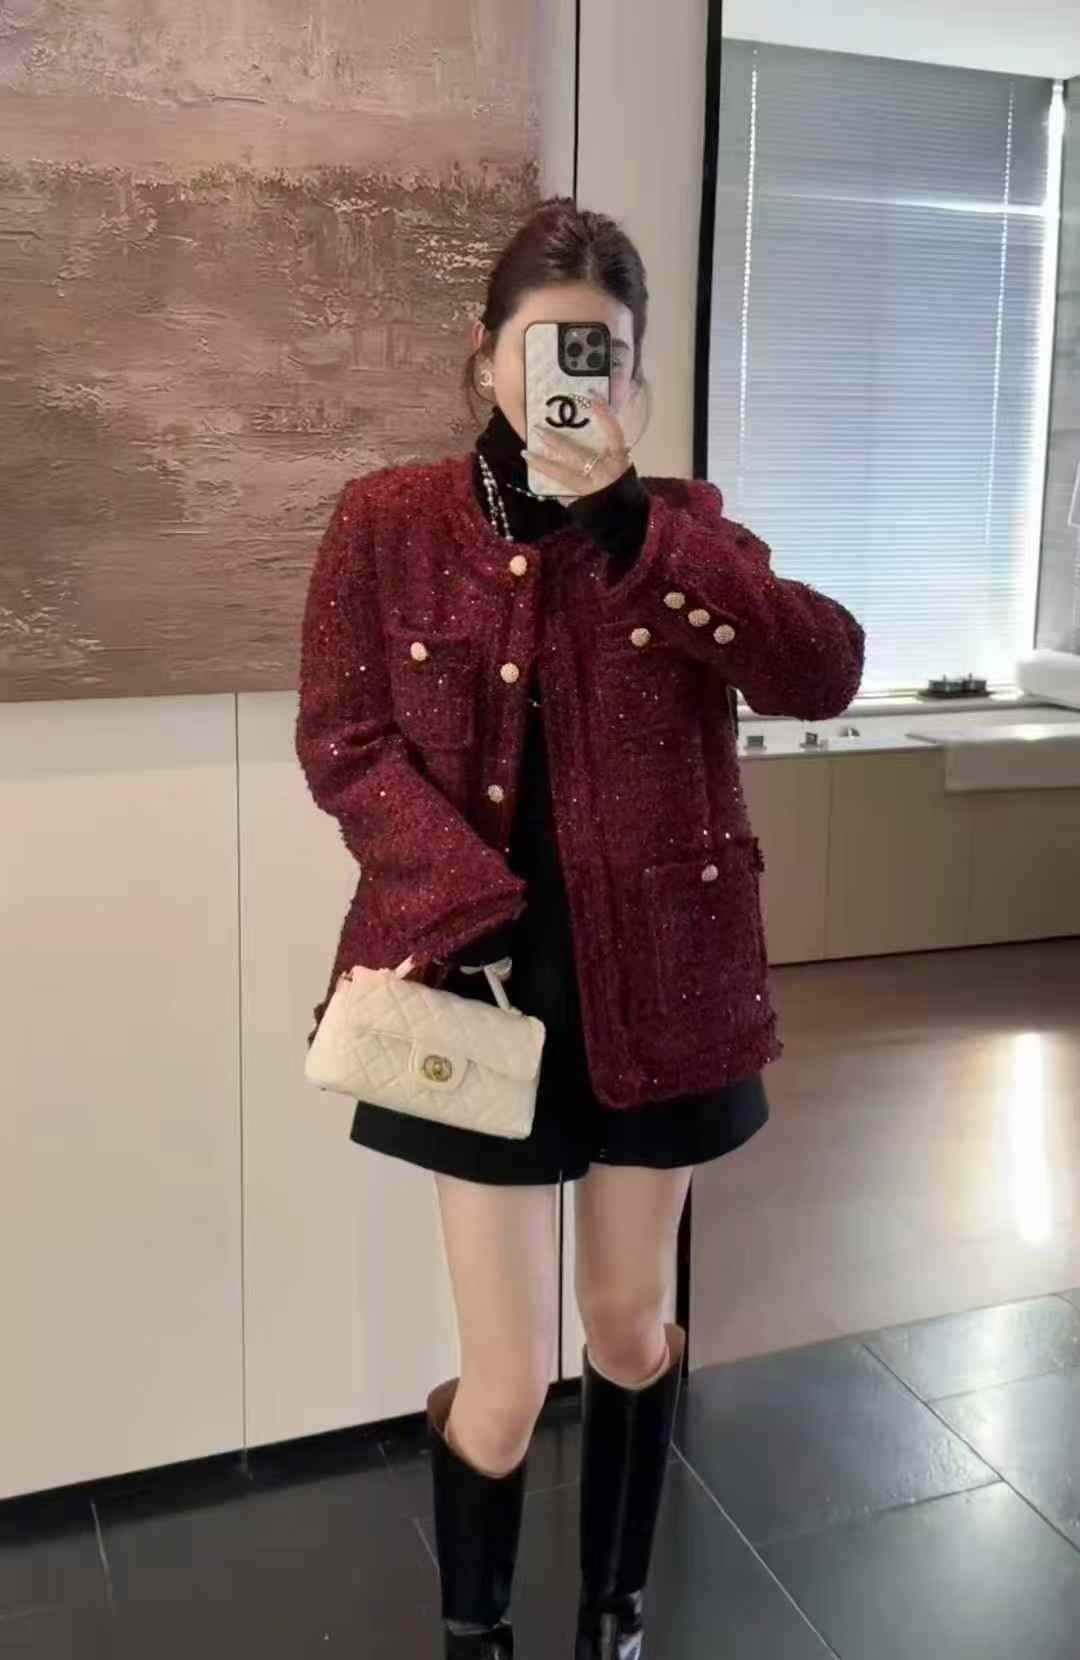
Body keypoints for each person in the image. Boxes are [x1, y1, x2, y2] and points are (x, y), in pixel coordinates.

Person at [295, 197, 866, 1659]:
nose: (570, 377)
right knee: (504, 1383)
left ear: (634, 371)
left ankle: (615, 1614)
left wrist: (632, 525)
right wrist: (464, 897)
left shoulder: (684, 529)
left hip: (660, 986)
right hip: (474, 980)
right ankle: (476, 1633)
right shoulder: (385, 521)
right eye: (547, 346)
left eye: (600, 352)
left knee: (626, 1327)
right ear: (484, 352)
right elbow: (345, 743)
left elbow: (822, 671)